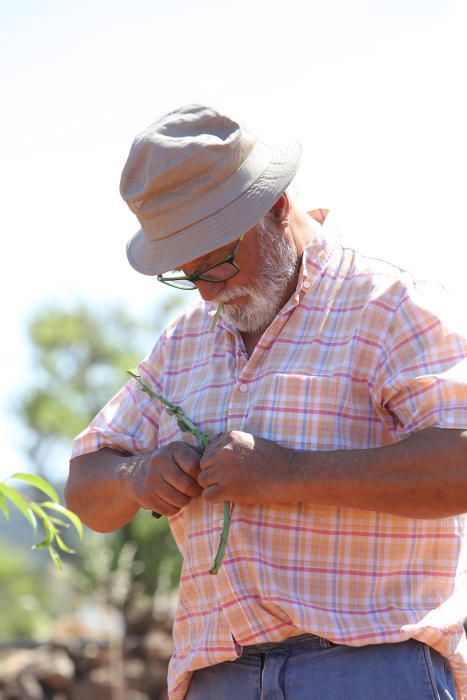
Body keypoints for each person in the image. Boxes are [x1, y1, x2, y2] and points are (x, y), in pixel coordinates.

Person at [66, 104, 467, 700]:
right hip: (218, 677)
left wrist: (291, 474)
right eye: (187, 274)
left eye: (219, 262)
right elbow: (84, 489)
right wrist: (137, 475)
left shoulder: (388, 306)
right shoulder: (184, 342)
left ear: (277, 207)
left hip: (371, 667)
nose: (207, 290)